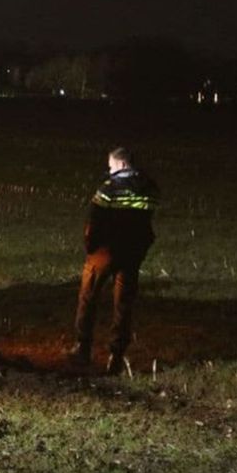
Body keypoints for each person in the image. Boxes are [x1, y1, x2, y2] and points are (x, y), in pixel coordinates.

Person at [68, 147, 159, 375]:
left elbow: (95, 220)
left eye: (111, 165)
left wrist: (91, 247)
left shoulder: (108, 189)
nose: (109, 170)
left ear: (121, 164)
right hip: (133, 251)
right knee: (124, 303)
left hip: (106, 251)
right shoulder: (149, 187)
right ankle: (117, 356)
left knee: (88, 296)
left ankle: (82, 348)